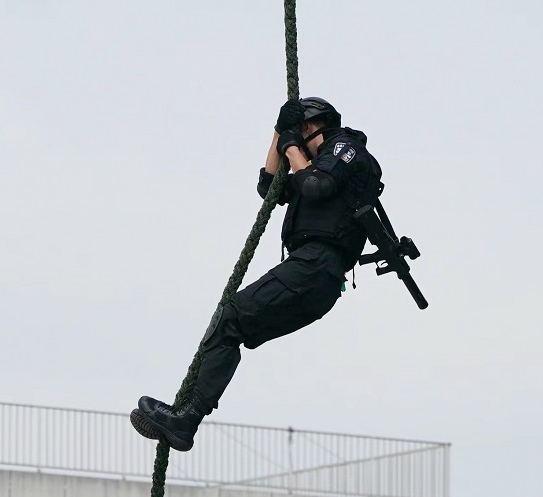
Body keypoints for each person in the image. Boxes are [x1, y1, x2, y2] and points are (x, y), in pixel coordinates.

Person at [129, 97, 384, 451]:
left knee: (231, 316)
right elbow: (269, 188)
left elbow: (315, 187)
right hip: (316, 277)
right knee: (232, 325)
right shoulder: (309, 165)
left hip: (316, 265)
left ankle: (186, 420)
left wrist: (292, 143)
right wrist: (279, 134)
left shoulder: (344, 148)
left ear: (312, 127)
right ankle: (186, 418)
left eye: (301, 132)